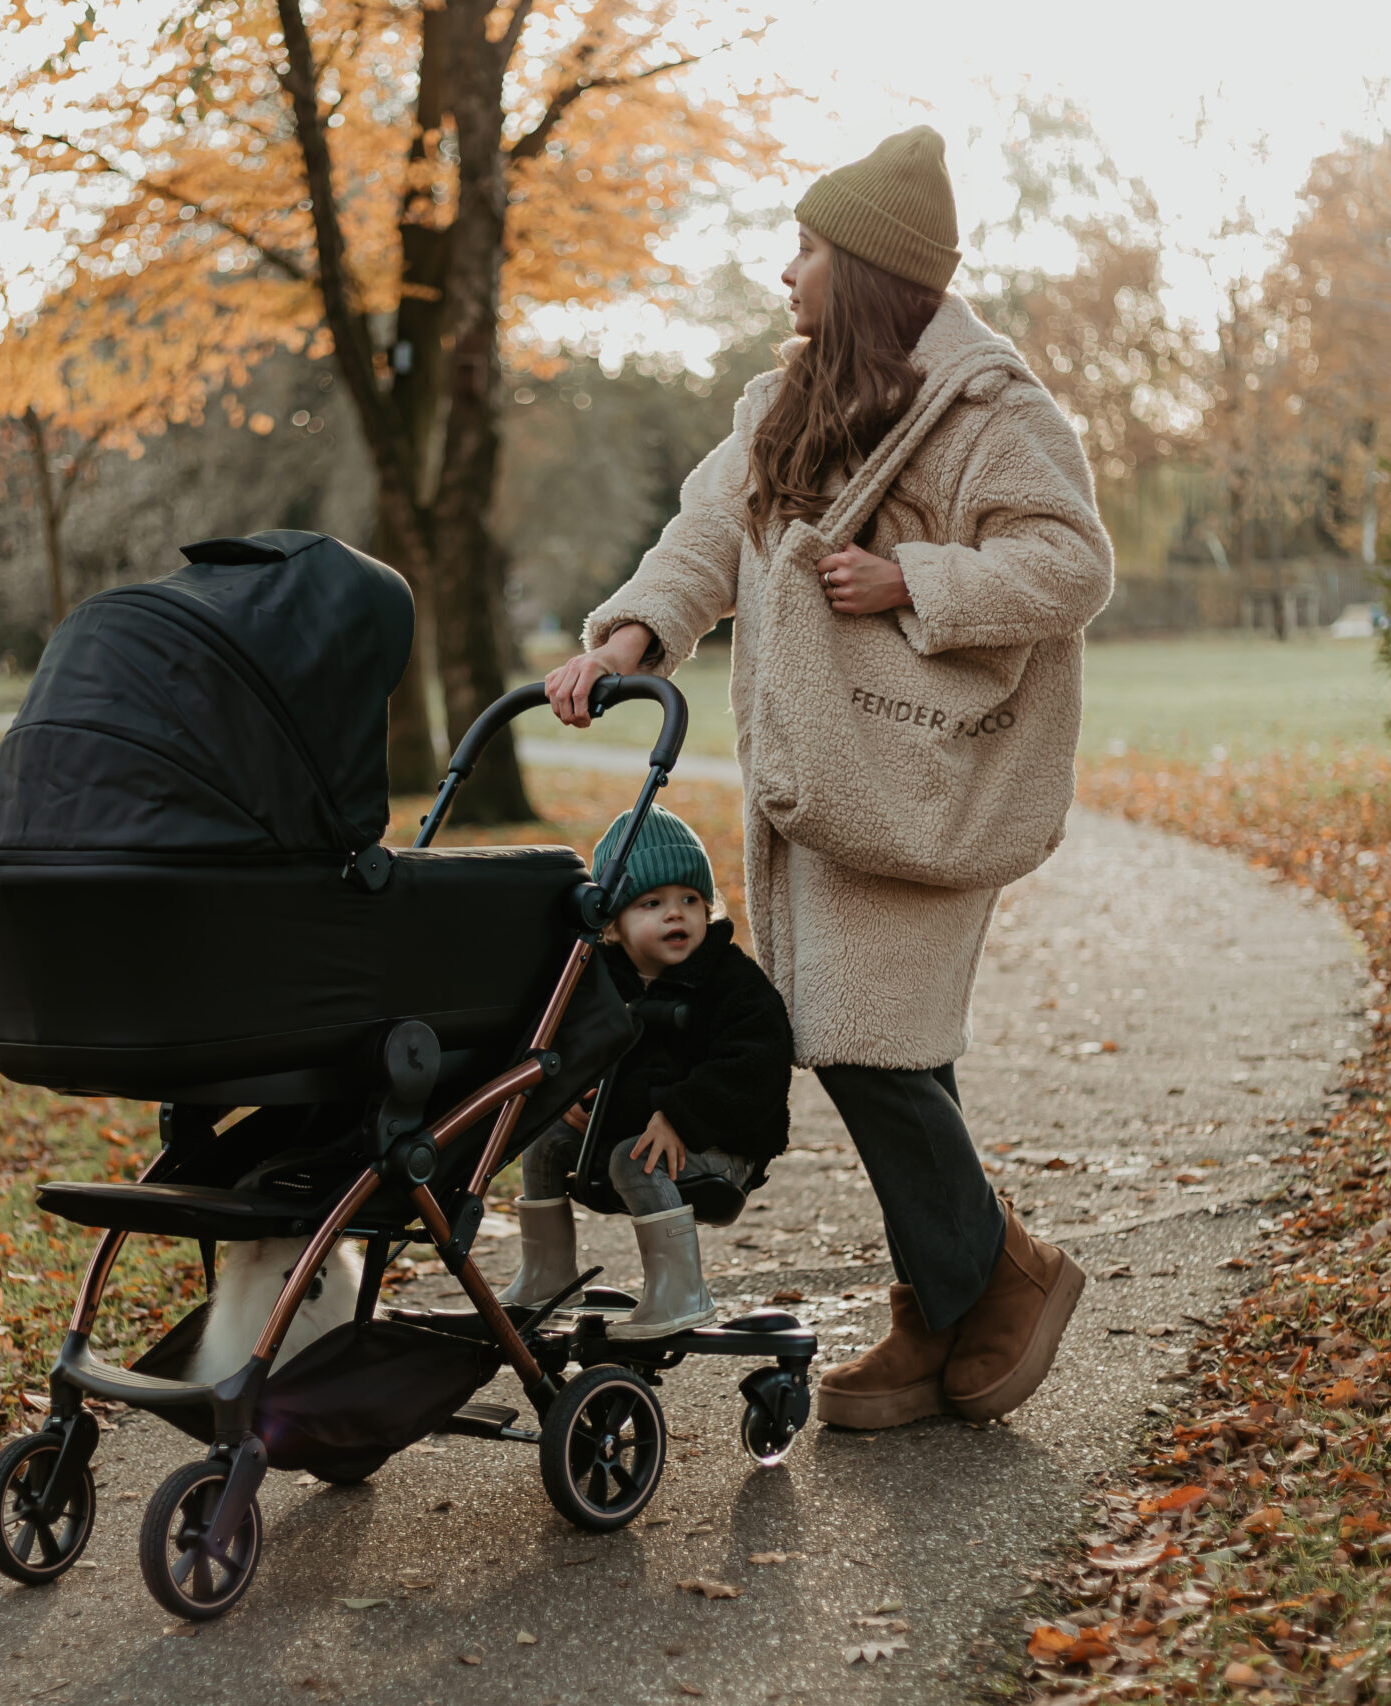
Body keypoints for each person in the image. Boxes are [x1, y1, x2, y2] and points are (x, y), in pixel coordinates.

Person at [544, 126, 1114, 1428]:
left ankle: (1003, 1274)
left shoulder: (989, 410)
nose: (780, 273)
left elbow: (1067, 563)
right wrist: (636, 630)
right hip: (820, 779)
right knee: (881, 1045)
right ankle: (939, 1312)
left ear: (858, 266)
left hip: (918, 774)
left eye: (802, 248)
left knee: (864, 1044)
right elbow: (707, 531)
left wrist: (917, 578)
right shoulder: (781, 403)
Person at [498, 805, 793, 1340]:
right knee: (542, 1143)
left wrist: (682, 1116)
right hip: (626, 1128)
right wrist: (568, 1090)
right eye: (651, 903)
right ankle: (548, 1275)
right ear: (613, 924)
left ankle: (681, 1293)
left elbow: (756, 1065)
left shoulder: (731, 981)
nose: (675, 914)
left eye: (690, 901)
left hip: (720, 1143)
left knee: (632, 1160)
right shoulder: (600, 980)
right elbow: (564, 1036)